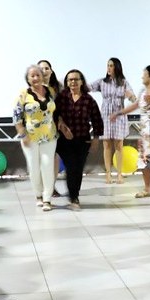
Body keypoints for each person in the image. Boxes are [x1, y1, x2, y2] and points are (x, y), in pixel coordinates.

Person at [117, 65, 150, 199]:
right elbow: (136, 105)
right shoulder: (143, 92)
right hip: (145, 132)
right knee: (144, 161)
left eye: (144, 74)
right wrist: (119, 113)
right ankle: (147, 188)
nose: (142, 76)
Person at [55, 70, 104, 210]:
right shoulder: (61, 97)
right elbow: (54, 114)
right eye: (70, 80)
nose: (73, 82)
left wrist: (96, 138)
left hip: (83, 140)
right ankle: (74, 197)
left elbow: (97, 120)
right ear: (66, 82)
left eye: (76, 79)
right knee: (71, 167)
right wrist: (62, 126)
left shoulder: (89, 100)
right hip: (64, 140)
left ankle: (74, 195)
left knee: (78, 169)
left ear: (82, 81)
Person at [15, 65, 59, 211]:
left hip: (49, 135)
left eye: (38, 75)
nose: (35, 78)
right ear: (27, 79)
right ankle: (38, 195)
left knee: (47, 165)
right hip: (30, 137)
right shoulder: (23, 94)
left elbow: (55, 111)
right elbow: (16, 116)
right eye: (32, 76)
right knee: (34, 167)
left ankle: (47, 198)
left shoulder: (50, 91)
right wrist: (22, 132)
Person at [94, 57, 136, 184]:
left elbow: (133, 98)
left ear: (117, 67)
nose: (108, 68)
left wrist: (131, 97)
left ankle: (119, 174)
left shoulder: (123, 82)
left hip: (119, 115)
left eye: (111, 65)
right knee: (106, 145)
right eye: (107, 65)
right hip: (106, 115)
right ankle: (108, 174)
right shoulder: (102, 82)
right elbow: (87, 87)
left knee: (119, 146)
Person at [39, 59, 63, 198]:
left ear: (51, 70)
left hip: (54, 126)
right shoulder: (33, 88)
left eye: (47, 68)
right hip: (38, 128)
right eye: (41, 68)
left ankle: (51, 187)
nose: (44, 71)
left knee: (54, 156)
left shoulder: (58, 87)